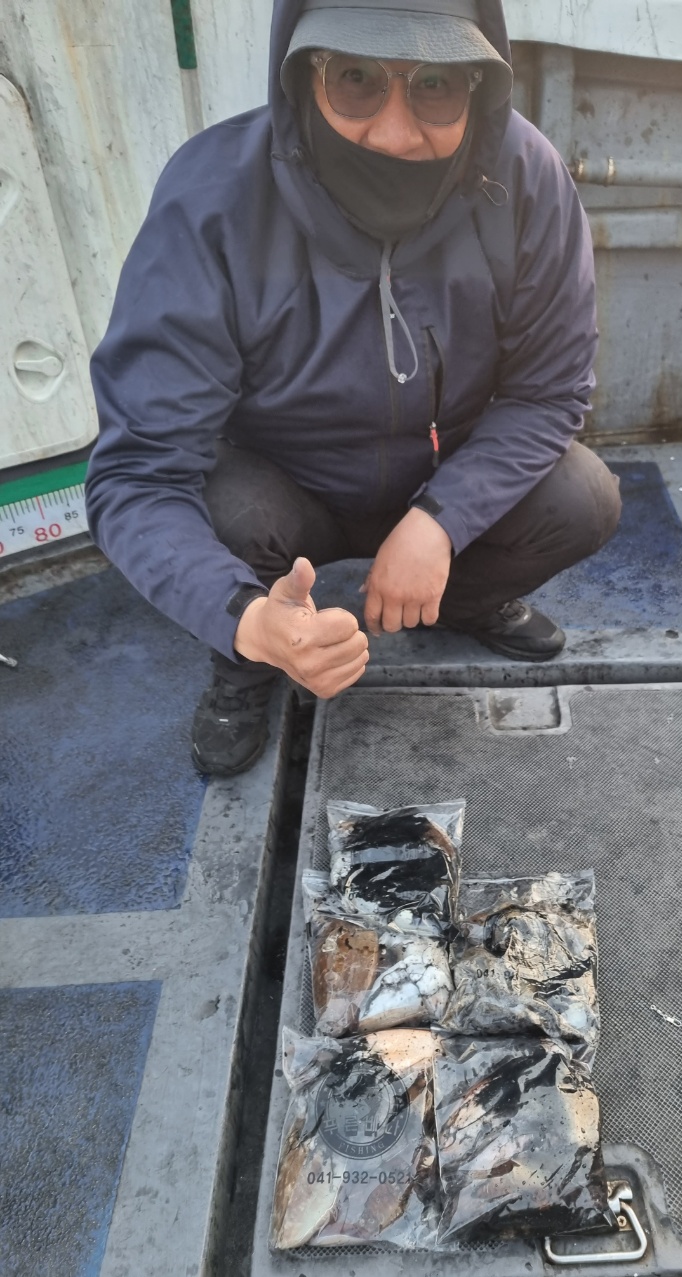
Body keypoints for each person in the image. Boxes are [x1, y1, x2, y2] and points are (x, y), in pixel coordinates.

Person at [85, 0, 622, 777]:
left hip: (442, 466)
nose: (396, 135)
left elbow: (549, 392)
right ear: (303, 75)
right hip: (286, 487)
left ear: (479, 86)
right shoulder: (211, 195)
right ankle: (250, 658)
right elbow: (137, 475)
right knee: (225, 516)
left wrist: (439, 521)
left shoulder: (525, 175)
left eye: (436, 85)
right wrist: (247, 620)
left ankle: (455, 602)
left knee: (584, 499)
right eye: (356, 79)